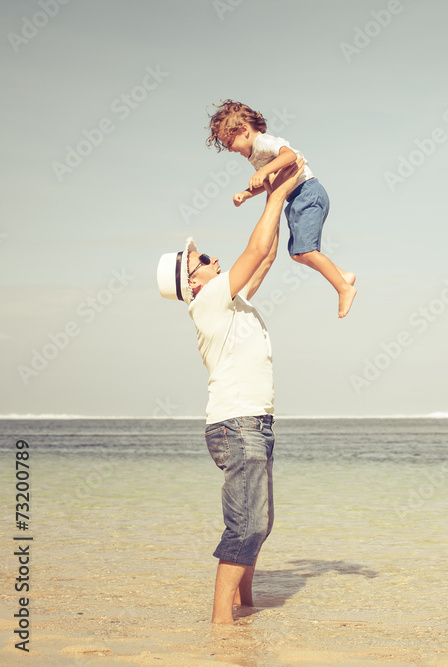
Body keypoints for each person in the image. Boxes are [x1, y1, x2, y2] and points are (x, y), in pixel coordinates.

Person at [156, 158, 305, 624]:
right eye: (203, 260)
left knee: (260, 524)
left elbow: (267, 254)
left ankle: (246, 606)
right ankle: (221, 624)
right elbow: (254, 248)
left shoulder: (229, 300)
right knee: (247, 525)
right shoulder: (208, 303)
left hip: (253, 423)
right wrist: (279, 191)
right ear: (193, 282)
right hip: (237, 424)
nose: (211, 258)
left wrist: (275, 194)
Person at [205, 99, 357, 318]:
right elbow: (267, 183)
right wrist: (247, 193)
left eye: (229, 142)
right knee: (297, 254)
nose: (229, 149)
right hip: (295, 199)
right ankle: (342, 275)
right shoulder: (254, 155)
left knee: (307, 251)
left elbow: (290, 155)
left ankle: (344, 288)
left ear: (244, 130)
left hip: (307, 192)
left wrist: (264, 171)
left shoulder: (263, 142)